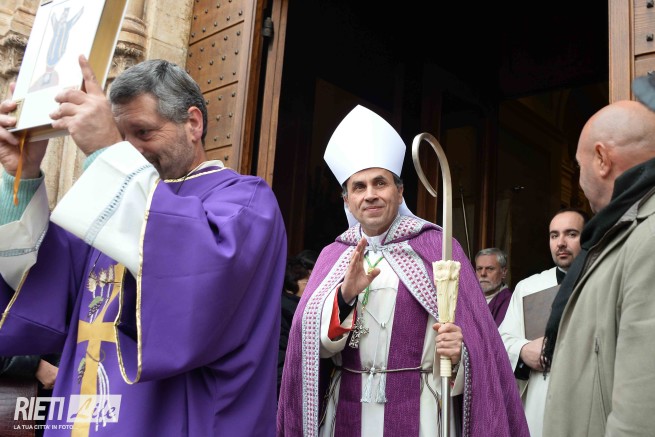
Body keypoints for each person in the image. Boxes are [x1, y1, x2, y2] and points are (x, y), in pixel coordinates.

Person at [0, 55, 287, 436]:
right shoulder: (107, 207)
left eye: (144, 132)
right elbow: (34, 282)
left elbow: (200, 283)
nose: (130, 150)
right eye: (121, 138)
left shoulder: (244, 201)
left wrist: (106, 151)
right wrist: (21, 180)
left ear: (193, 123)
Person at [277, 105, 528, 437]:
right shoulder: (334, 256)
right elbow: (310, 350)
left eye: (380, 183)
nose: (370, 195)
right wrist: (345, 297)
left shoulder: (438, 247)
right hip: (345, 411)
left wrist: (460, 354)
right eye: (359, 187)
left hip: (422, 410)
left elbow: (480, 346)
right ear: (346, 200)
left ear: (400, 191)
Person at [541, 99, 655, 436]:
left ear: (602, 159)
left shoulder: (648, 237)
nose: (579, 181)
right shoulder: (616, 233)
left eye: (580, 166)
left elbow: (642, 411)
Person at [498, 207, 586, 437]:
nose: (561, 243)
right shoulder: (528, 287)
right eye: (554, 235)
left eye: (571, 234)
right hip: (541, 396)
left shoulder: (602, 281)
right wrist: (523, 350)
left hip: (587, 397)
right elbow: (502, 341)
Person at [278, 250, 318, 397]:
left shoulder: (288, 308)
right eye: (307, 282)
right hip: (286, 387)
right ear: (290, 286)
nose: (312, 287)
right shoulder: (290, 312)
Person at [474, 247, 512, 326]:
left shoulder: (511, 302)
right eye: (479, 269)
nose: (483, 273)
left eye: (490, 269)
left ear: (504, 272)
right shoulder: (468, 299)